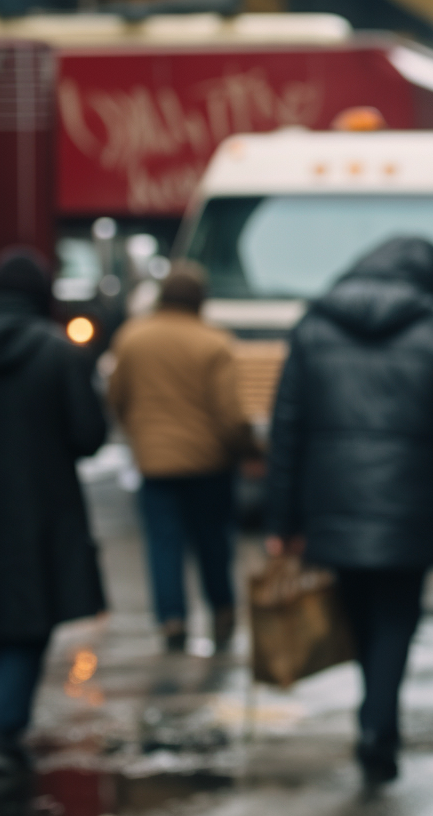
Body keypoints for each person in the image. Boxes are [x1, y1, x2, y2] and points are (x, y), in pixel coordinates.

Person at [264, 236, 433, 788]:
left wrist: (281, 521)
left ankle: (372, 718)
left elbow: (286, 428)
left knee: (360, 616)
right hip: (410, 507)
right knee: (395, 619)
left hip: (332, 505)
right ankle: (377, 729)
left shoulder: (313, 324)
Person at [0, 250, 107, 814]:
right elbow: (88, 434)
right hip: (40, 505)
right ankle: (6, 726)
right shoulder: (57, 352)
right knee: (28, 620)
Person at [109, 269, 257, 654]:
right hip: (209, 463)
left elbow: (117, 398)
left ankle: (171, 618)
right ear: (199, 300)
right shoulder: (214, 343)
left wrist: (140, 436)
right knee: (212, 541)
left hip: (154, 461)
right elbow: (229, 413)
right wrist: (249, 450)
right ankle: (222, 611)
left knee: (163, 542)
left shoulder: (132, 338)